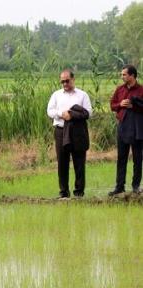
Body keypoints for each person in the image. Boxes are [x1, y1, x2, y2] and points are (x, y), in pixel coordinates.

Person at [47, 70, 92, 198]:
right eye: (62, 81)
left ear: (73, 79)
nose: (65, 83)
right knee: (62, 162)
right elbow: (50, 111)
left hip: (77, 131)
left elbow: (88, 112)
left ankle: (79, 193)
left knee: (79, 162)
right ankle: (64, 193)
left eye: (67, 81)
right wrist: (62, 114)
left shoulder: (82, 95)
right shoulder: (56, 95)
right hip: (61, 131)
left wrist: (72, 115)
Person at [108, 65, 143, 196]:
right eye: (121, 74)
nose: (122, 77)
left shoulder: (141, 90)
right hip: (123, 126)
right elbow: (112, 105)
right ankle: (119, 186)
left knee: (138, 158)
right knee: (121, 158)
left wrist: (133, 106)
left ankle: (136, 186)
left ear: (132, 75)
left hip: (137, 128)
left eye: (124, 74)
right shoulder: (120, 89)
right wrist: (120, 104)